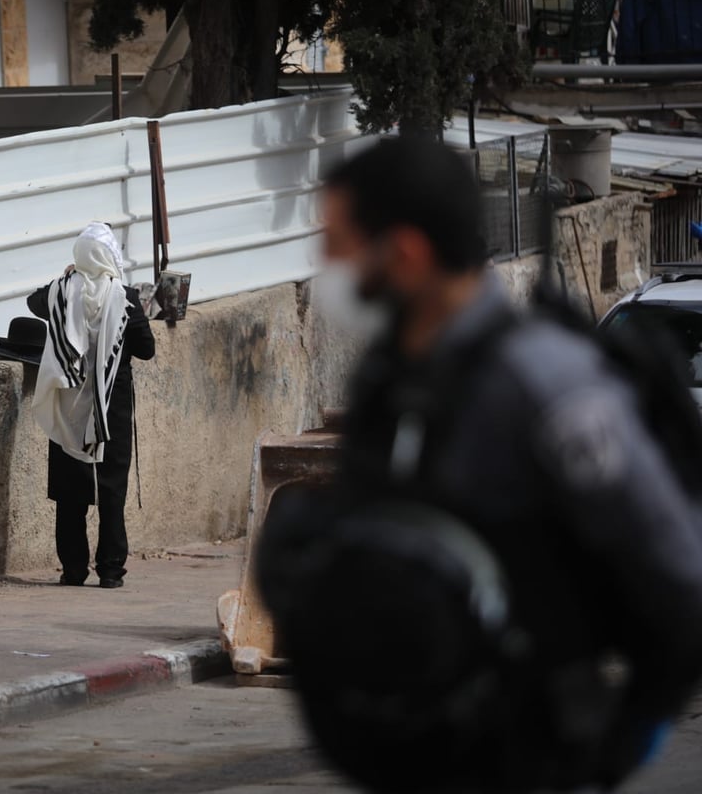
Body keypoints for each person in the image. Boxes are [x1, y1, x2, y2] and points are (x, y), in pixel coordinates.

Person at [256, 138, 702, 792]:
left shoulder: (544, 385)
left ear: (405, 253)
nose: (325, 265)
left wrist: (611, 747)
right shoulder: (392, 379)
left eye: (338, 243)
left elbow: (678, 584)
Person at [27, 222, 155, 589]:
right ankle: (111, 572)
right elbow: (146, 350)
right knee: (111, 490)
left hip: (69, 404)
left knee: (70, 493)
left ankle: (73, 571)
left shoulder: (61, 293)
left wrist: (67, 279)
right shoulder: (125, 298)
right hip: (110, 405)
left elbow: (34, 302)